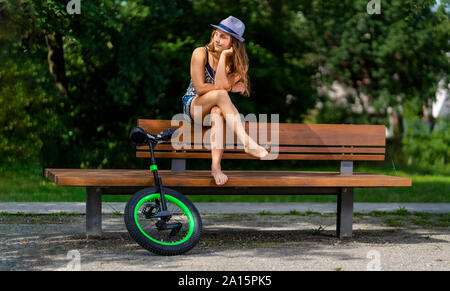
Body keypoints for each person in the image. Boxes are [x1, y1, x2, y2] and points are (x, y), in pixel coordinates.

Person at [181, 16, 268, 186]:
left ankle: (215, 167)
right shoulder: (200, 53)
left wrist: (224, 59)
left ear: (233, 43)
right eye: (216, 35)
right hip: (193, 105)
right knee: (221, 95)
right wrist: (229, 88)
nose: (217, 40)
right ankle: (247, 142)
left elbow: (219, 86)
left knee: (218, 112)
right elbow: (200, 89)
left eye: (224, 37)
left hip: (214, 109)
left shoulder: (238, 64)